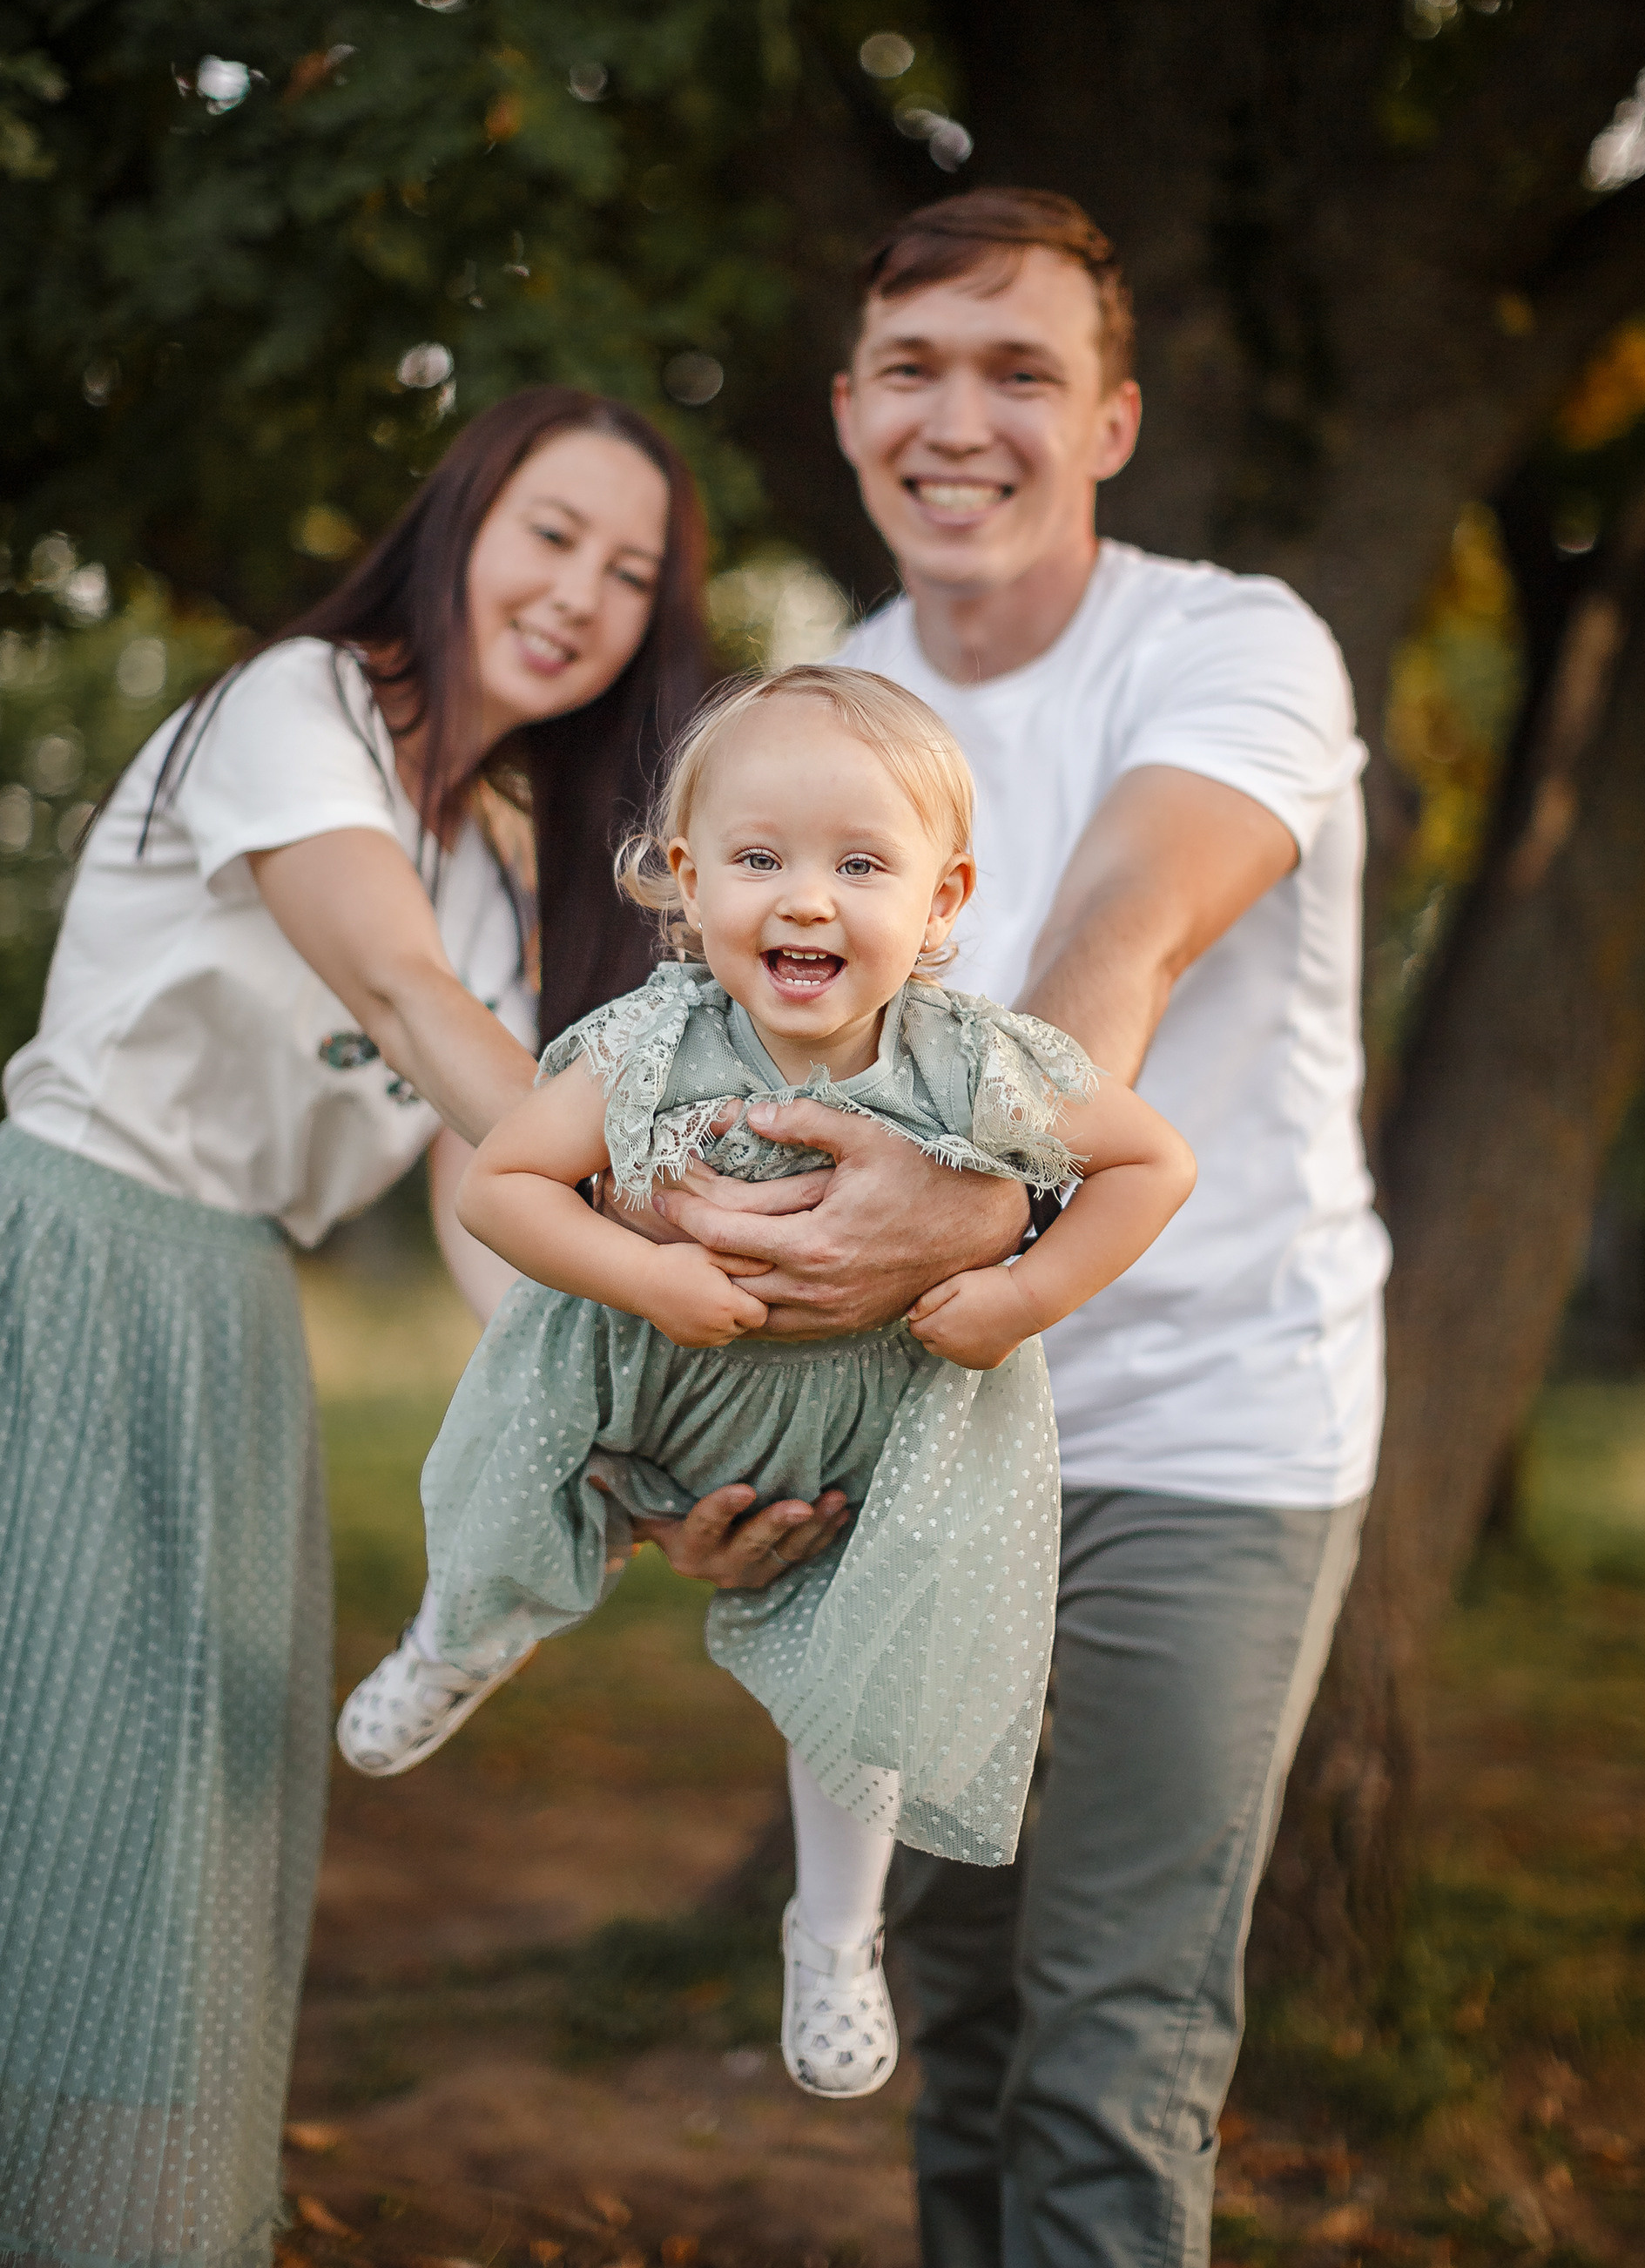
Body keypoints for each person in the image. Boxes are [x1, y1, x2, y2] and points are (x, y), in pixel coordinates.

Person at [630, 191, 1391, 2268]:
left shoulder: (1231, 646)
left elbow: (1124, 925)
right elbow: (704, 1092)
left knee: (1111, 2044)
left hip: (1206, 1430)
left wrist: (980, 1195)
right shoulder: (819, 717)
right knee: (951, 2014)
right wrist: (686, 1468)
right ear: (847, 410)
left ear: (1111, 423)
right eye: (913, 370)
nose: (958, 421)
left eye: (1020, 372)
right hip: (918, 1444)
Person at [0, 384, 748, 2268]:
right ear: (460, 522)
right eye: (550, 533)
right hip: (65, 1261)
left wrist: (639, 1448)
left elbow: (487, 1212)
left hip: (236, 1326)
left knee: (182, 1846)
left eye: (629, 574)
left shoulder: (496, 875)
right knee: (52, 1794)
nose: (578, 593)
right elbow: (405, 1000)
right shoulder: (298, 708)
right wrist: (645, 1232)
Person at [334, 664, 1195, 2103]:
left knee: (863, 1690)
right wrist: (646, 1277)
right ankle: (459, 1634)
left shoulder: (969, 1061)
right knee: (514, 1496)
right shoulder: (651, 1043)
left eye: (860, 866)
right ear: (687, 880)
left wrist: (1025, 1295)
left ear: (942, 899)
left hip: (864, 1453)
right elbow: (502, 1188)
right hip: (640, 1389)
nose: (807, 901)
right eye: (759, 859)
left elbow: (1151, 1161)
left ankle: (838, 1937)